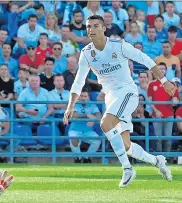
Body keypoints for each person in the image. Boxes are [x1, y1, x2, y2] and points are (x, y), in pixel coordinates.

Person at [63, 15, 173, 188]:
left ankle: (127, 168)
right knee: (126, 145)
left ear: (104, 28)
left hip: (128, 92)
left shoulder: (118, 45)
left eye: (95, 26)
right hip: (111, 97)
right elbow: (78, 81)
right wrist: (70, 106)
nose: (91, 29)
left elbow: (144, 59)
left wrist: (164, 81)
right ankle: (157, 161)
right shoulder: (86, 53)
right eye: (88, 26)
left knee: (105, 124)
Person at [68, 90, 102, 164]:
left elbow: (99, 116)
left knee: (97, 140)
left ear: (88, 97)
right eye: (81, 96)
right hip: (75, 129)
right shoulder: (74, 103)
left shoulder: (92, 104)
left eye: (85, 96)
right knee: (73, 139)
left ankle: (87, 158)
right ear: (78, 97)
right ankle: (78, 158)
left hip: (88, 130)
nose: (83, 98)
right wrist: (86, 115)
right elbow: (75, 115)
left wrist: (93, 119)